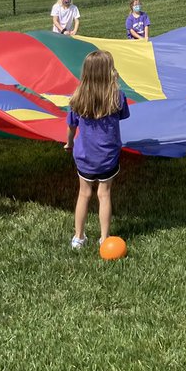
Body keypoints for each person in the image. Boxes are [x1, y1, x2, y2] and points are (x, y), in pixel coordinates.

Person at [65, 50, 130, 250]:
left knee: (84, 194)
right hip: (107, 156)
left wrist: (69, 143)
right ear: (109, 71)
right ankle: (104, 238)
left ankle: (78, 237)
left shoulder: (77, 98)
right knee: (104, 194)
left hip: (85, 156)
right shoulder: (117, 96)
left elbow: (71, 126)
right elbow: (123, 116)